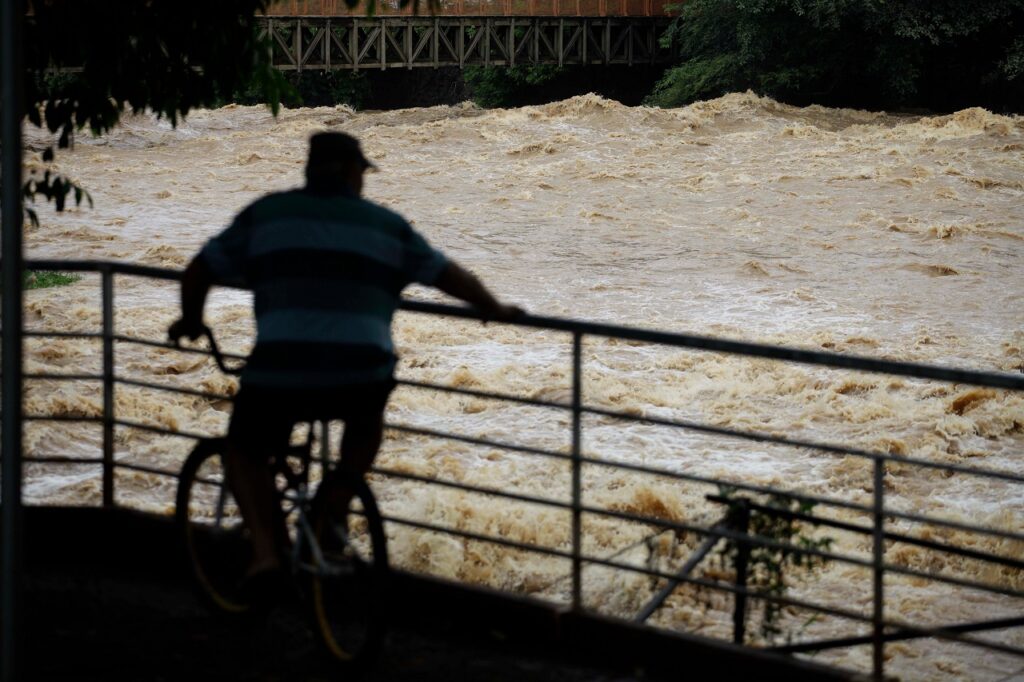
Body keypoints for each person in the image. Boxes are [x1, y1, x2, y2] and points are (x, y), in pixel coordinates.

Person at [168, 131, 522, 590]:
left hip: (282, 373)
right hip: (360, 375)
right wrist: (493, 308)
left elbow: (200, 269)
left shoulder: (268, 214)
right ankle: (332, 509)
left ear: (309, 171)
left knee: (246, 448)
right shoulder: (386, 226)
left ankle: (268, 554)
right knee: (364, 421)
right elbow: (448, 275)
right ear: (355, 174)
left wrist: (192, 319)